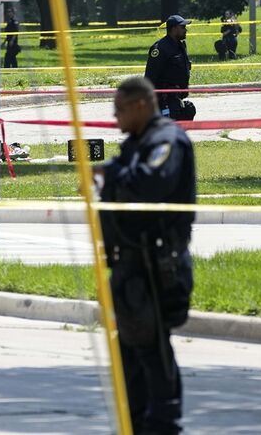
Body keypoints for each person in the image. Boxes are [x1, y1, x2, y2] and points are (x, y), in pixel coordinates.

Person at [94, 76, 195, 434]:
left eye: (120, 109)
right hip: (129, 264)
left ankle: (164, 423)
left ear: (141, 104)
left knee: (152, 348)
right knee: (131, 351)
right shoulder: (137, 143)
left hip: (157, 265)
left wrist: (111, 173)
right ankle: (136, 422)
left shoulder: (166, 140)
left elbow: (151, 182)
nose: (115, 117)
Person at [145, 15, 196, 121]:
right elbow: (150, 76)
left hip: (176, 97)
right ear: (174, 29)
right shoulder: (160, 48)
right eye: (182, 27)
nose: (185, 30)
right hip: (164, 99)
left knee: (188, 111)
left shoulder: (180, 46)